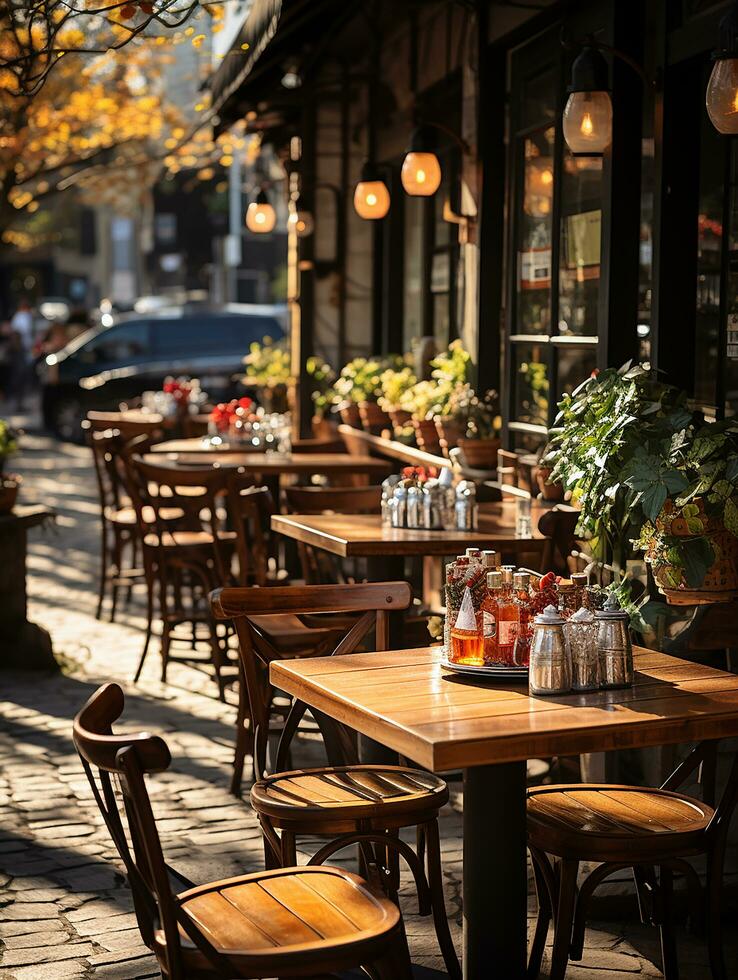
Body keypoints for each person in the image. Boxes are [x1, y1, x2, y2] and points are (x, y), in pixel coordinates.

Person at [8, 298, 34, 412]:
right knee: (20, 377)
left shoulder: (20, 317)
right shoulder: (21, 317)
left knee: (21, 378)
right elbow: (20, 335)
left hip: (22, 351)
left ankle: (19, 403)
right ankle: (17, 404)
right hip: (21, 351)